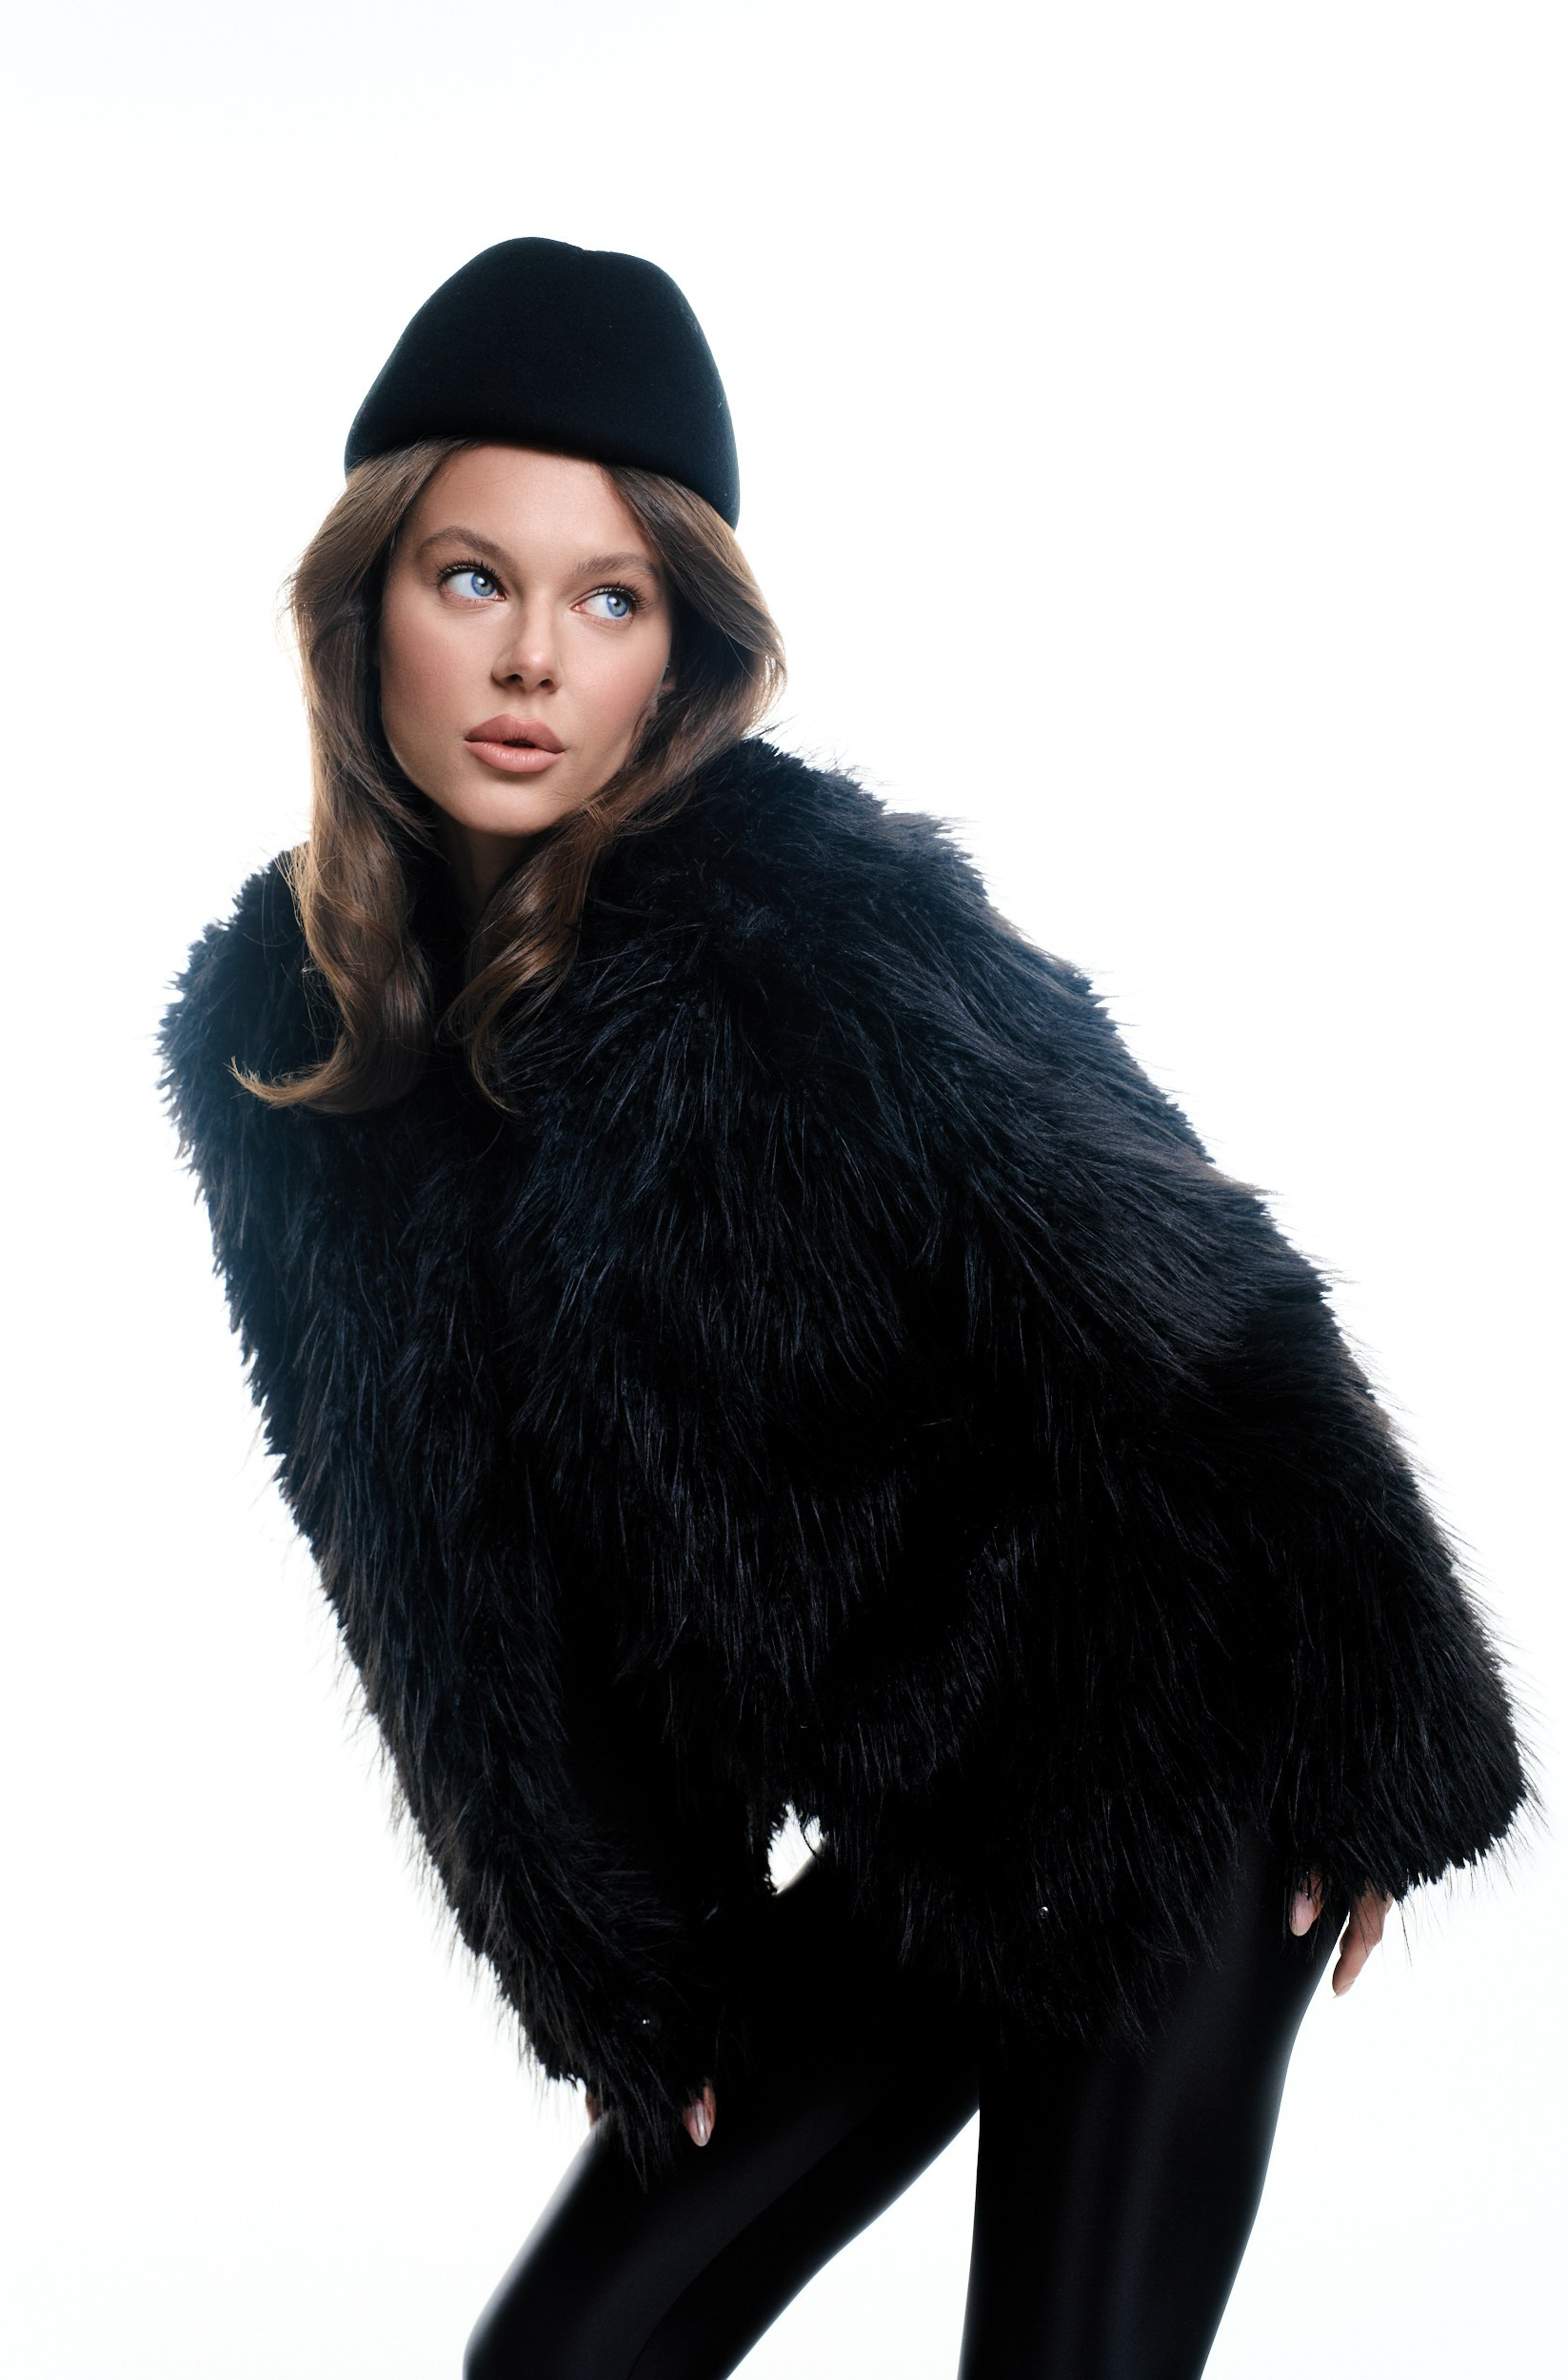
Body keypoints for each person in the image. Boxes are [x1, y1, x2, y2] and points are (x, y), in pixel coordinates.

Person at [156, 237, 1536, 2378]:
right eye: (472, 578)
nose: (531, 660)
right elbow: (432, 1569)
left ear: (679, 646)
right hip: (917, 1816)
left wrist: (1379, 1705)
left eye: (610, 599)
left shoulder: (811, 914)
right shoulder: (293, 1047)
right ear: (365, 607)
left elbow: (1187, 1285)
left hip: (1178, 1725)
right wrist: (634, 1971)